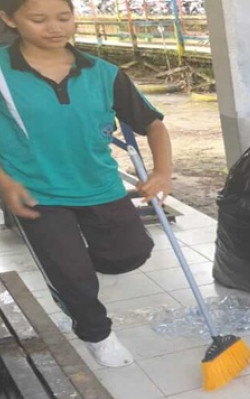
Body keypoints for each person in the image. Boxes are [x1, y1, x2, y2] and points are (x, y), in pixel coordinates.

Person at [0, 0, 172, 367]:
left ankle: (69, 271)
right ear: (9, 19)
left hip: (100, 184)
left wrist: (162, 172)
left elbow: (153, 124)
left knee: (130, 253)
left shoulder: (102, 72)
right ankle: (96, 331)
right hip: (36, 192)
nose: (55, 27)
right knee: (72, 275)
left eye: (64, 17)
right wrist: (5, 181)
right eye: (38, 19)